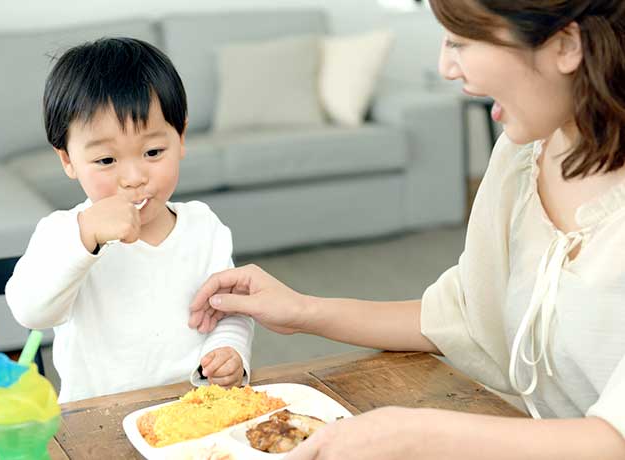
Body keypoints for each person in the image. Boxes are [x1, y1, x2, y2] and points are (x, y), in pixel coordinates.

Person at [188, 1, 625, 458]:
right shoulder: (522, 159)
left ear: (566, 46)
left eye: (460, 40)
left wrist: (418, 436)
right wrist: (302, 310)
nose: (445, 66)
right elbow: (462, 318)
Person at [6, 37, 253, 403]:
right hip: (96, 421)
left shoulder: (204, 226)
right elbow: (31, 312)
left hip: (193, 410)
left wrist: (230, 349)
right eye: (106, 160)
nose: (134, 177)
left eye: (153, 151)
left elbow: (230, 311)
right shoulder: (65, 233)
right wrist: (86, 235)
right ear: (68, 160)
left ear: (181, 138)